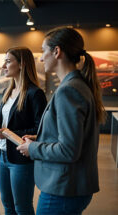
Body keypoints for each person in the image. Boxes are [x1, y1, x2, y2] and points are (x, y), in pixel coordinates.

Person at [17, 27, 106, 215]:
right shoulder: (77, 85)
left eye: (43, 51)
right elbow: (71, 137)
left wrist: (32, 148)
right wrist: (40, 137)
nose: (41, 58)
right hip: (70, 187)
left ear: (57, 52)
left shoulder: (69, 90)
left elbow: (68, 150)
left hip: (63, 189)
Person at [0, 47, 47, 215]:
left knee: (21, 206)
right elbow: (8, 123)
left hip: (21, 159)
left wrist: (7, 132)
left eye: (8, 61)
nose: (3, 66)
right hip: (3, 155)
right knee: (7, 204)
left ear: (21, 64)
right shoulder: (8, 92)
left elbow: (41, 129)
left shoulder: (35, 94)